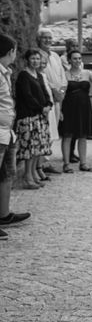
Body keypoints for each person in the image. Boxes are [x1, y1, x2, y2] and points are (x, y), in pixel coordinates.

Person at [0, 34, 31, 240]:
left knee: (7, 173)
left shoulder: (5, 72)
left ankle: (3, 214)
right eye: (14, 51)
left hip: (6, 131)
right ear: (9, 51)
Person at [59, 50, 92, 172]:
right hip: (69, 107)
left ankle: (83, 163)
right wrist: (59, 110)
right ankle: (66, 164)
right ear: (69, 60)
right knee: (67, 135)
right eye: (74, 58)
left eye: (79, 58)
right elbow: (61, 93)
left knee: (83, 136)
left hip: (84, 107)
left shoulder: (87, 73)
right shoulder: (65, 74)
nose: (77, 61)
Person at [14, 49, 53, 189]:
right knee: (29, 149)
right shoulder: (23, 76)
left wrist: (49, 104)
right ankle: (27, 177)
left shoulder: (39, 75)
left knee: (37, 149)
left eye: (38, 58)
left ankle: (33, 174)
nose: (35, 61)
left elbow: (45, 93)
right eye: (33, 58)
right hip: (28, 117)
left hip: (40, 117)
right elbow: (27, 96)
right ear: (27, 60)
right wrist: (41, 108)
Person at [36, 28, 65, 174]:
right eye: (44, 38)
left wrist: (61, 92)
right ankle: (39, 165)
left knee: (53, 133)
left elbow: (62, 77)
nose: (48, 40)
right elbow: (40, 76)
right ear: (39, 39)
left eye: (50, 38)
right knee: (45, 132)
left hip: (58, 99)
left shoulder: (55, 56)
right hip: (45, 98)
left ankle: (45, 162)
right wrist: (54, 90)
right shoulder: (36, 55)